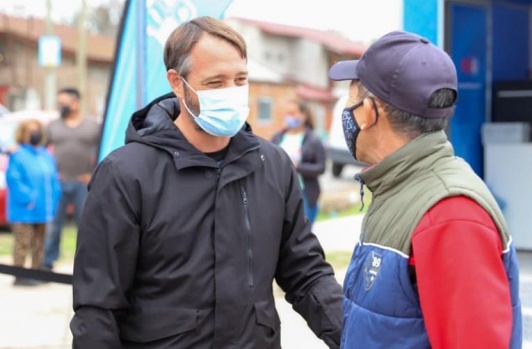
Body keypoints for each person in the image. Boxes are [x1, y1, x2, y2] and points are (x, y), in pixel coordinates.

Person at [70, 17, 342, 348]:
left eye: (240, 79)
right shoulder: (125, 174)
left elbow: (306, 272)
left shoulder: (271, 165)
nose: (232, 92)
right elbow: (98, 307)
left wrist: (357, 337)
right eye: (215, 82)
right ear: (177, 82)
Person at [328, 30, 522, 348]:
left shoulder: (449, 214)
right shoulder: (401, 187)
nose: (346, 109)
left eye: (351, 96)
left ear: (368, 112)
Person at [43, 87, 100, 270]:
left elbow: (103, 151)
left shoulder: (92, 126)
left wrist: (92, 173)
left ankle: (87, 264)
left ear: (75, 103)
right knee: (53, 226)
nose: (61, 106)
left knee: (85, 226)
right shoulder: (53, 126)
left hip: (82, 184)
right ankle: (48, 261)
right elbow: (41, 151)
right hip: (57, 183)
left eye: (64, 103)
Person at [6, 119, 61, 286]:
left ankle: (36, 272)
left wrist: (55, 196)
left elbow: (53, 179)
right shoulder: (18, 155)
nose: (35, 133)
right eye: (30, 131)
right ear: (23, 133)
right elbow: (14, 180)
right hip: (24, 209)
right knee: (23, 242)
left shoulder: (46, 155)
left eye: (37, 130)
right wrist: (28, 198)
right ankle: (20, 275)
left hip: (44, 208)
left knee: (39, 242)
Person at [271, 99, 326, 225]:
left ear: (304, 115)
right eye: (287, 113)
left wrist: (298, 167)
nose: (290, 116)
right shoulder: (278, 137)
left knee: (302, 233)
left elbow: (321, 168)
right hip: (280, 193)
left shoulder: (313, 140)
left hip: (304, 194)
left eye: (293, 113)